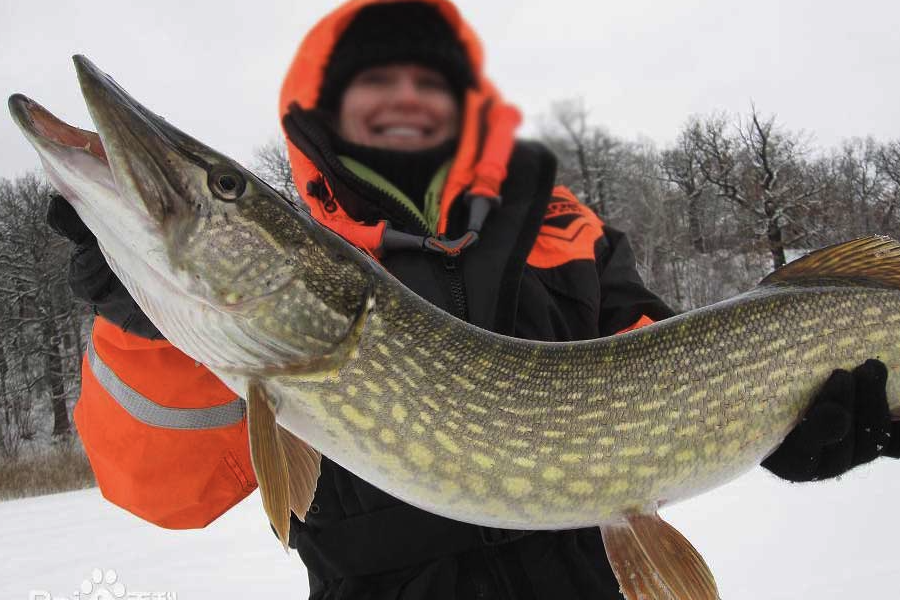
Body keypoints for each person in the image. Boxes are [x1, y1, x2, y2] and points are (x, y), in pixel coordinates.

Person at [47, 1, 900, 598]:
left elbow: (689, 369)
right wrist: (142, 327)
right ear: (320, 117)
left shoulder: (571, 238)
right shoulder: (265, 329)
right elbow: (164, 497)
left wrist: (794, 428)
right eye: (368, 90)